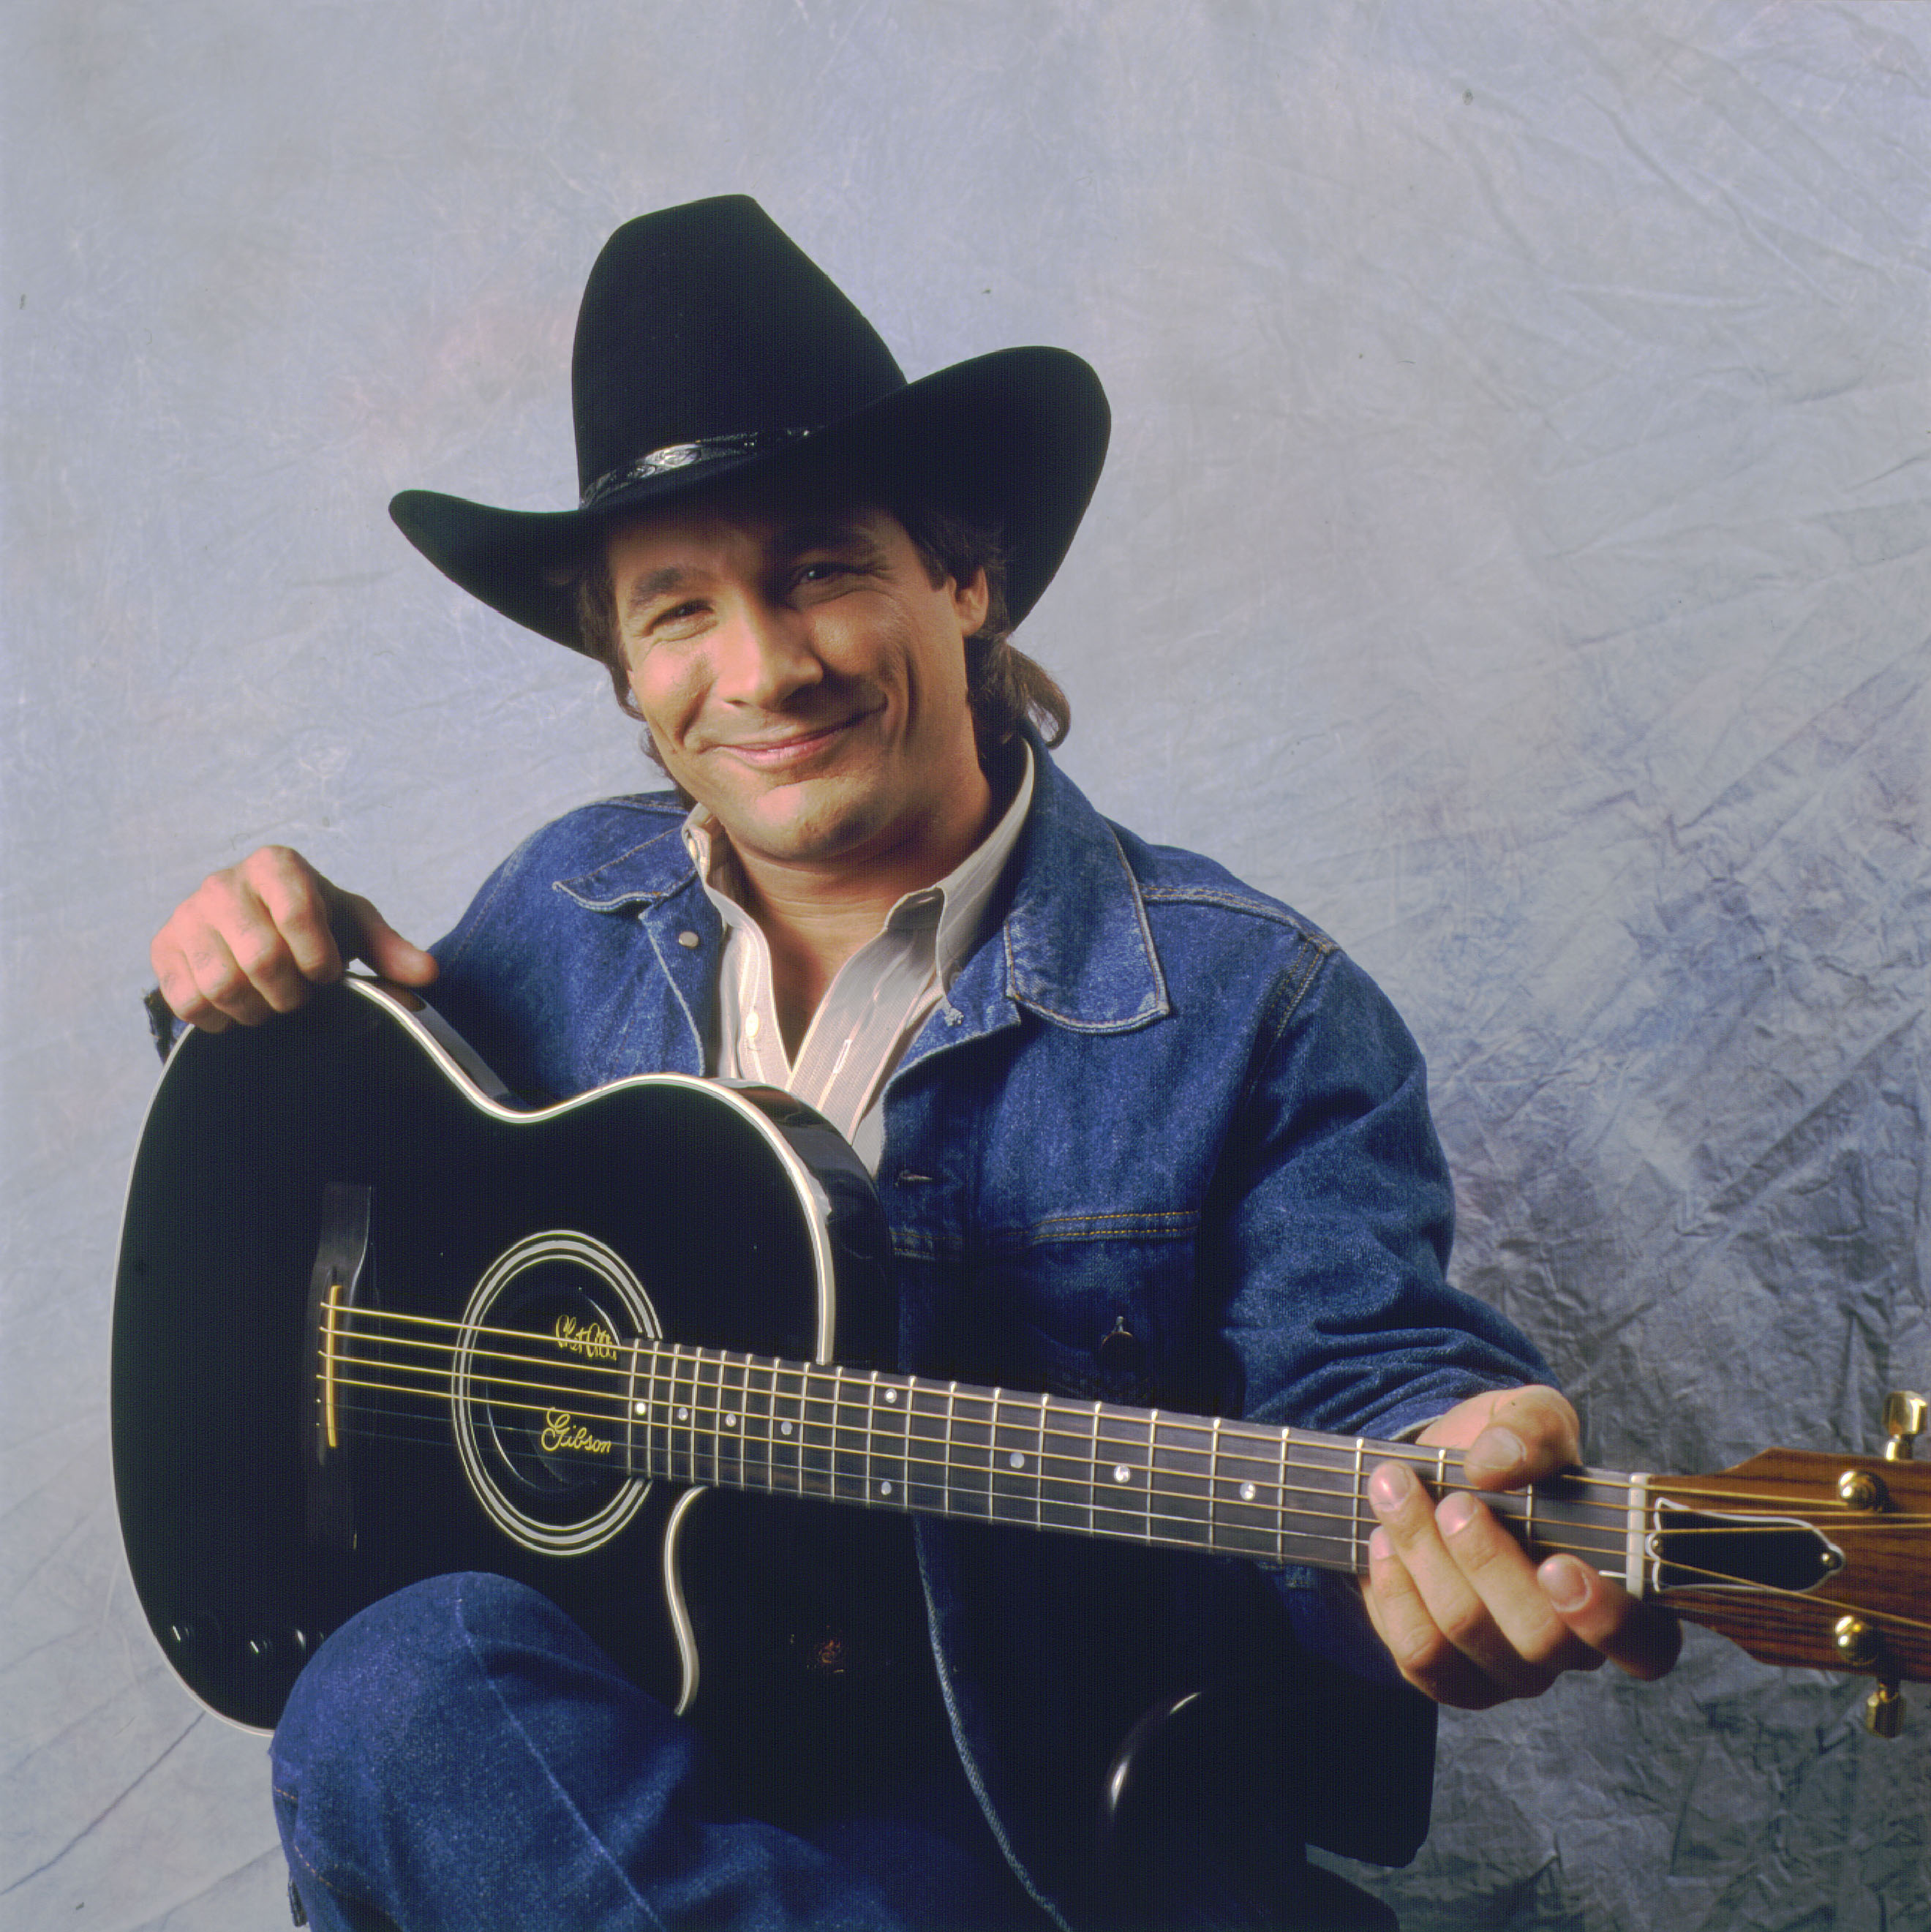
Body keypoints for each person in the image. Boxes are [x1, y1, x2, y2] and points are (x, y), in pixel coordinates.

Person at [150, 198, 1679, 1931]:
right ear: (625, 671)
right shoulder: (557, 914)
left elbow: (1355, 1383)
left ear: (967, 577)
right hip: (609, 1783)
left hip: (1016, 1817)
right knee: (395, 1684)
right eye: (679, 613)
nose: (762, 669)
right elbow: (330, 1169)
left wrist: (1445, 1479)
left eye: (819, 569)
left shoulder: (1258, 1004)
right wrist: (247, 990)